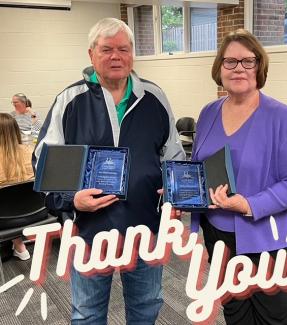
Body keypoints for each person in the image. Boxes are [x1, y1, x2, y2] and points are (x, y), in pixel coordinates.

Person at [33, 17, 185, 324]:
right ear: (91, 54)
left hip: (146, 228)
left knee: (146, 308)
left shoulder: (154, 98)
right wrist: (70, 200)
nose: (116, 56)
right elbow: (43, 163)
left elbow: (175, 156)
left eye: (123, 49)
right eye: (106, 49)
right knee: (87, 314)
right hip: (88, 231)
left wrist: (176, 192)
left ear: (132, 54)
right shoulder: (69, 100)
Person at [191, 29, 287, 325]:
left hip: (270, 241)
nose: (239, 69)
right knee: (235, 315)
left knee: (273, 319)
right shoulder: (209, 112)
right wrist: (179, 190)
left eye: (248, 61)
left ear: (259, 67)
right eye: (230, 61)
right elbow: (200, 166)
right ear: (219, 68)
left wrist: (249, 204)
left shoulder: (281, 117)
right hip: (220, 238)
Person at [0, 113, 33, 261]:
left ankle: (18, 245)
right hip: (35, 212)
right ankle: (19, 245)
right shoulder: (30, 151)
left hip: (4, 219)